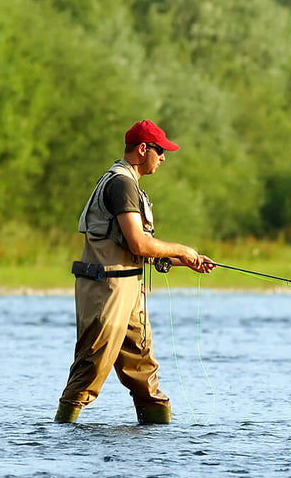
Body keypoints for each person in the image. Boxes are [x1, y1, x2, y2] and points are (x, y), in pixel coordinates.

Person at [54, 120, 215, 424]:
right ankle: (62, 432)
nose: (163, 157)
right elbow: (139, 243)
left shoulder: (128, 184)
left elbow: (137, 249)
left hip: (128, 291)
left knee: (143, 370)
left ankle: (158, 430)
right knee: (91, 365)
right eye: (160, 150)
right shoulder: (121, 183)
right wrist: (182, 249)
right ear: (143, 149)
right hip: (107, 291)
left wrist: (189, 260)